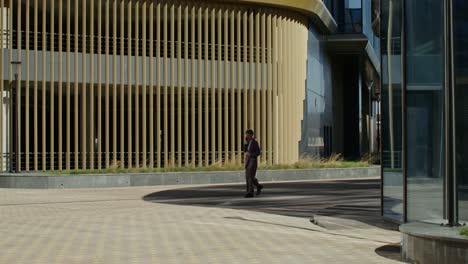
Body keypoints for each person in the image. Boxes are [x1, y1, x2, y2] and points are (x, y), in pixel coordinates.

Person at [244, 129, 263, 198]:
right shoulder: (248, 142)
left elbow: (258, 152)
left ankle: (250, 192)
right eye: (246, 134)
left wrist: (251, 154)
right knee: (249, 177)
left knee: (250, 177)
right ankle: (258, 186)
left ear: (251, 135)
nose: (246, 136)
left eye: (248, 134)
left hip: (253, 161)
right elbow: (245, 151)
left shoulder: (255, 142)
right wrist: (246, 142)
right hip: (248, 162)